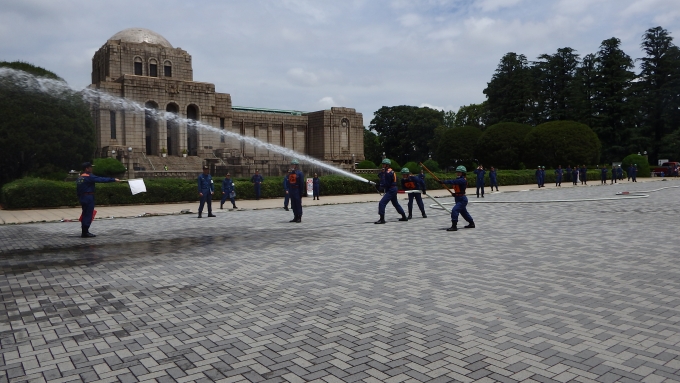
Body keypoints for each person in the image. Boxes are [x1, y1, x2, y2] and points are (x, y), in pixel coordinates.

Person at [76, 162, 120, 238]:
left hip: (82, 197)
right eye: (90, 167)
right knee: (88, 214)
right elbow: (101, 179)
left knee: (85, 214)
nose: (91, 168)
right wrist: (113, 179)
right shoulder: (89, 176)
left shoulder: (80, 177)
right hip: (89, 197)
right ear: (87, 168)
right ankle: (85, 232)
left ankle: (84, 231)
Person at [439, 165, 474, 232]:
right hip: (458, 198)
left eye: (459, 172)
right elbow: (458, 189)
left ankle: (454, 226)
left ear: (463, 173)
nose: (457, 173)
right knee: (464, 213)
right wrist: (455, 194)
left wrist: (444, 182)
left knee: (455, 210)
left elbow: (454, 182)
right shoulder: (458, 179)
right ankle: (471, 223)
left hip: (462, 199)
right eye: (457, 172)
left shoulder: (462, 180)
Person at [375, 159, 408, 224]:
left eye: (383, 164)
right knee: (395, 203)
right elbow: (380, 176)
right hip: (393, 189)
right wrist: (381, 173)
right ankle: (404, 216)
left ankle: (382, 219)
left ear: (387, 165)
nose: (382, 165)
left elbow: (386, 183)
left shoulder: (388, 173)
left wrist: (380, 186)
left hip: (391, 189)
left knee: (382, 203)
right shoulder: (390, 171)